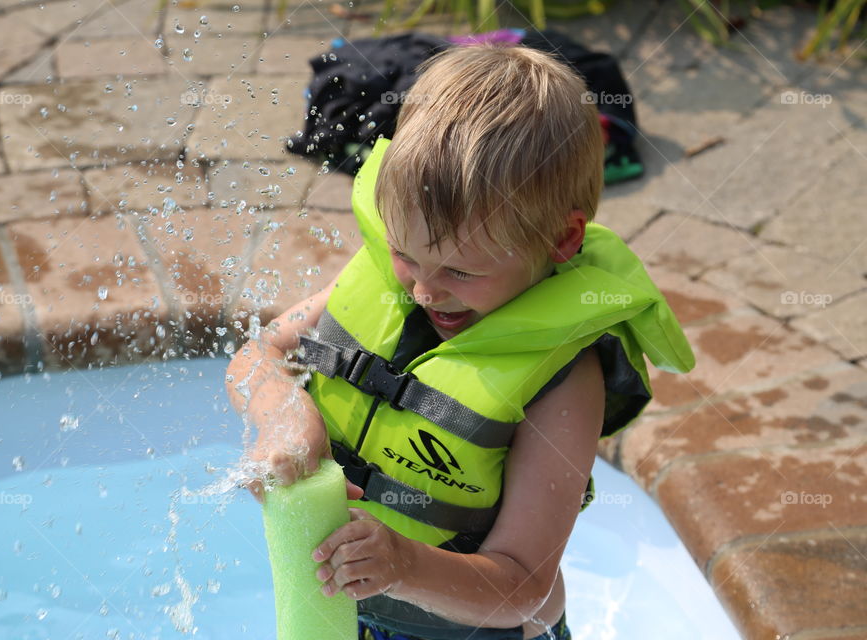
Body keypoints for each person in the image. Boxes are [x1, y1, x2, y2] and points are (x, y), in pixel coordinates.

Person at [226, 44, 694, 640]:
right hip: (348, 617)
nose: (424, 291)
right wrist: (285, 419)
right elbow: (256, 355)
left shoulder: (565, 381)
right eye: (404, 254)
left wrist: (402, 564)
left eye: (461, 273)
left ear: (561, 240)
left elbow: (525, 587)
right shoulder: (396, 272)